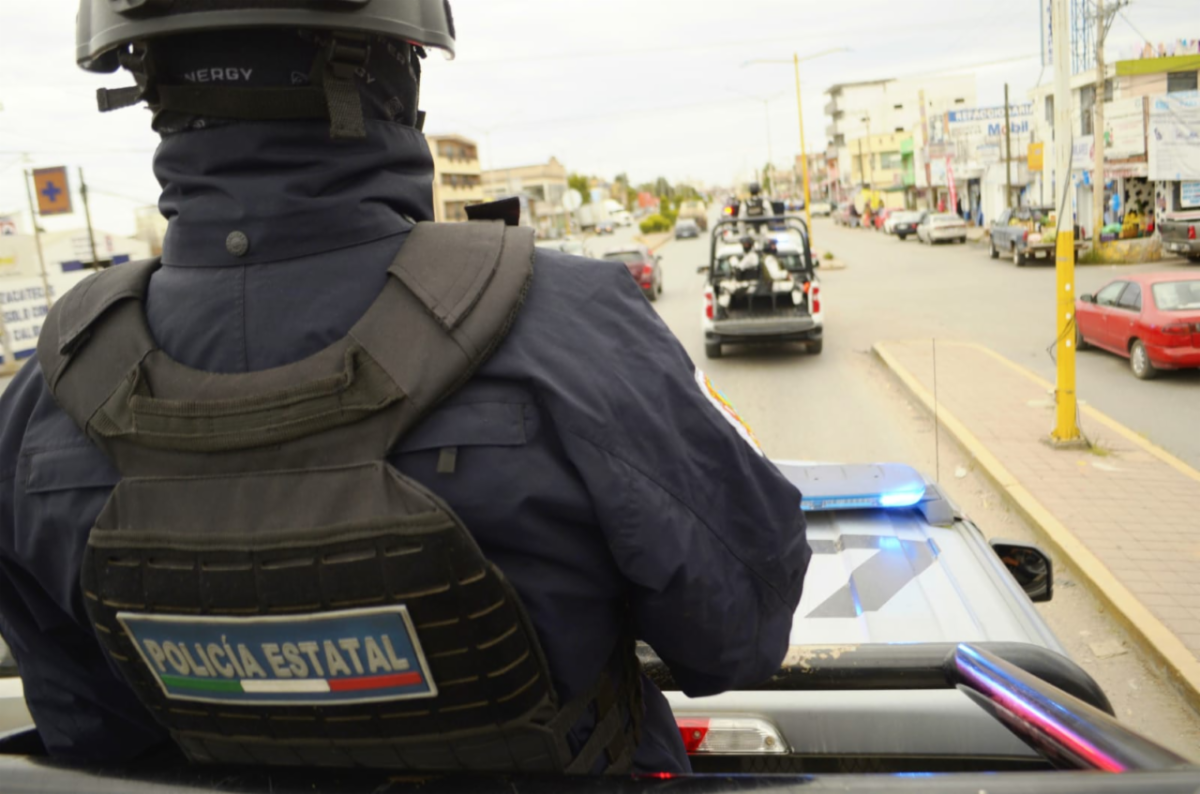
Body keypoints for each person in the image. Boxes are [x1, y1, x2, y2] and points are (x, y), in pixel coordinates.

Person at [0, 0, 809, 775]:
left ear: (144, 80)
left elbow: (90, 730)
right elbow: (739, 636)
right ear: (395, 67)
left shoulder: (43, 400)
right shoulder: (572, 327)